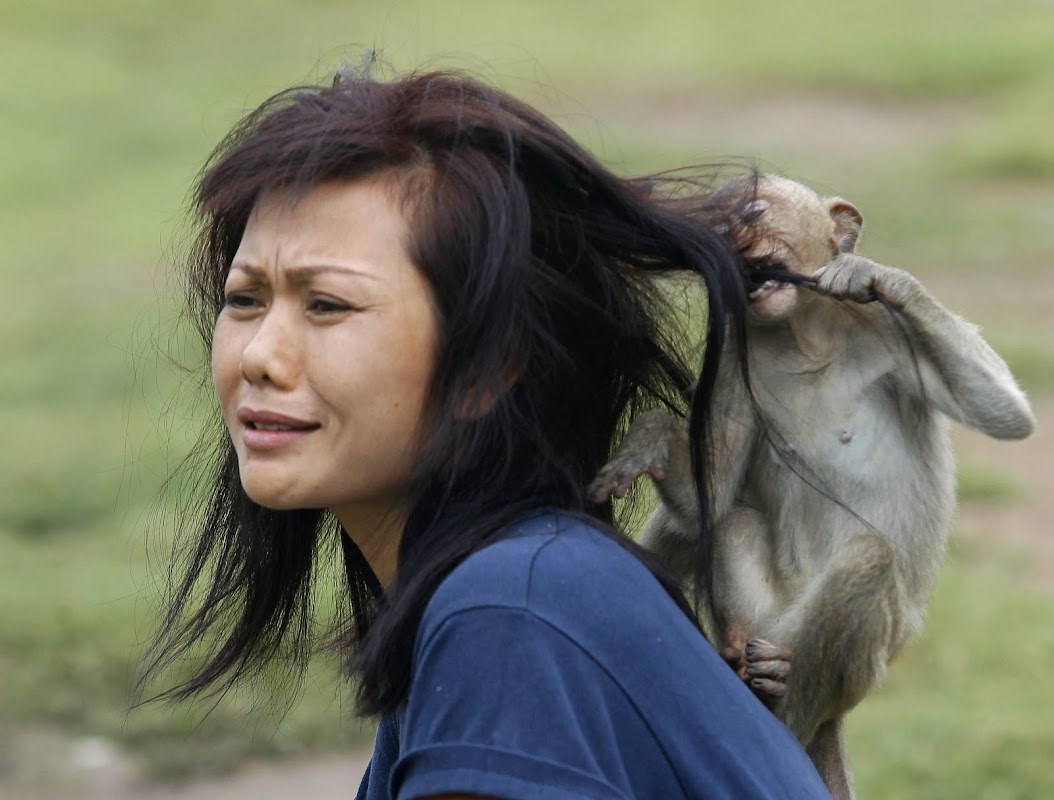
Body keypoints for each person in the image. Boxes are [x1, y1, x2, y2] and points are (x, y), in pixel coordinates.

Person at [142, 63, 832, 799]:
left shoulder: (510, 614)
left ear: (488, 366)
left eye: (327, 305)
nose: (259, 355)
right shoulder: (511, 584)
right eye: (245, 299)